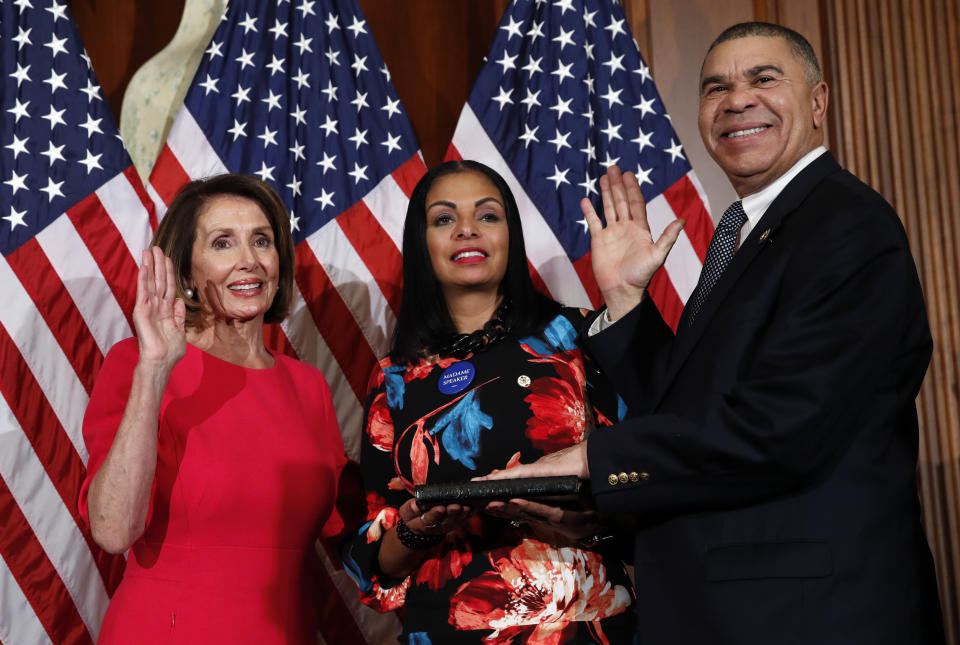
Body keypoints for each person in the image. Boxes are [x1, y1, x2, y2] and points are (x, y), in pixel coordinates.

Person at [482, 22, 945, 644]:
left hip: (809, 614)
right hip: (733, 607)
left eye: (763, 78)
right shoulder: (757, 229)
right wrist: (624, 300)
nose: (736, 99)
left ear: (818, 102)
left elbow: (780, 427)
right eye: (715, 87)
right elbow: (698, 406)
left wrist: (596, 459)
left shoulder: (847, 226)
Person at [339, 160, 636, 643]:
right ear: (422, 244)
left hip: (581, 624)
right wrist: (418, 529)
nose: (466, 230)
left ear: (510, 235)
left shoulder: (577, 336)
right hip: (446, 627)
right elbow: (374, 565)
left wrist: (585, 521)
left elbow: (656, 471)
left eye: (487, 215)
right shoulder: (393, 377)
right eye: (443, 219)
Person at [79, 174, 347, 644]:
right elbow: (113, 530)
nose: (249, 261)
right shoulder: (139, 364)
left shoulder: (308, 386)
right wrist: (155, 368)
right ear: (185, 273)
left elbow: (346, 537)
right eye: (223, 243)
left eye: (261, 241)